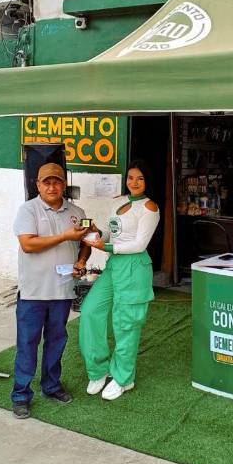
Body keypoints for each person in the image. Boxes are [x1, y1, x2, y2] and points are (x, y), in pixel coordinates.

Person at [10, 163, 90, 419]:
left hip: (63, 291)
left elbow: (86, 241)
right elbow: (28, 244)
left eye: (57, 182)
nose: (52, 187)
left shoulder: (76, 212)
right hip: (33, 292)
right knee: (27, 344)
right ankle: (21, 395)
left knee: (56, 341)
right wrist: (65, 235)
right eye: (47, 182)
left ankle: (51, 386)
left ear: (63, 184)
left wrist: (81, 261)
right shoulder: (28, 210)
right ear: (38, 185)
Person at [80, 160, 160, 401]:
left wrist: (105, 246)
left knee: (126, 323)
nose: (134, 182)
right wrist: (94, 232)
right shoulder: (118, 202)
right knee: (90, 311)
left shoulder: (150, 208)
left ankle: (124, 378)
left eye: (140, 178)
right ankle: (99, 369)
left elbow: (139, 244)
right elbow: (108, 231)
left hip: (135, 267)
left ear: (148, 182)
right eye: (131, 177)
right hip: (114, 264)